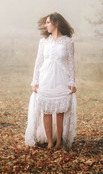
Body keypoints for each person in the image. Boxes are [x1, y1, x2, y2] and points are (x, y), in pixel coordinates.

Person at [25, 12, 77, 149]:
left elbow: (71, 63)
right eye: (46, 23)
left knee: (60, 111)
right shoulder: (43, 42)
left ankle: (59, 141)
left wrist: (72, 82)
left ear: (56, 23)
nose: (46, 25)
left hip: (61, 79)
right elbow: (38, 62)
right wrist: (35, 80)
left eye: (48, 22)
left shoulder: (67, 42)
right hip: (45, 78)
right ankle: (49, 142)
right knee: (46, 110)